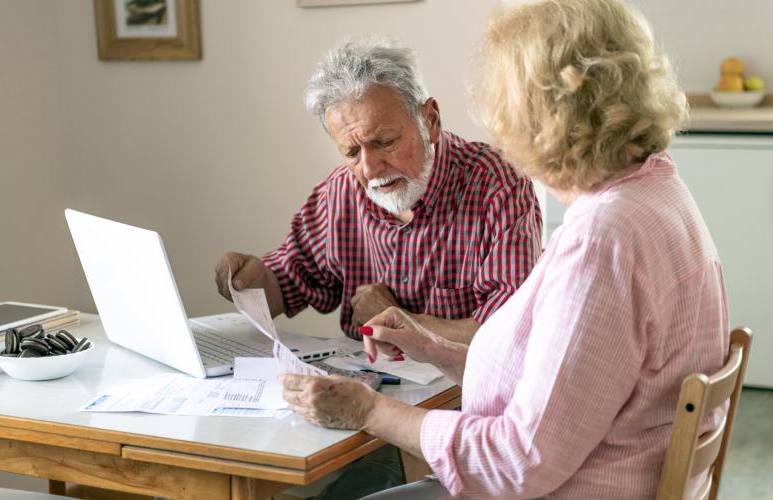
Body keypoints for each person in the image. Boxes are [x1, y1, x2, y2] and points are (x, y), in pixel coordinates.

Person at [279, 1, 729, 498]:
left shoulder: (604, 239)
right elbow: (561, 381)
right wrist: (430, 347)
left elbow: (520, 461)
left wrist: (370, 410)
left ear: (535, 113)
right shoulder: (655, 188)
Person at [214, 37, 542, 344]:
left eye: (385, 142)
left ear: (430, 120)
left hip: (464, 396)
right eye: (352, 153)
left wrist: (402, 323)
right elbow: (287, 284)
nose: (370, 169)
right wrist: (249, 283)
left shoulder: (499, 184)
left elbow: (512, 332)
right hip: (371, 386)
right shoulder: (340, 192)